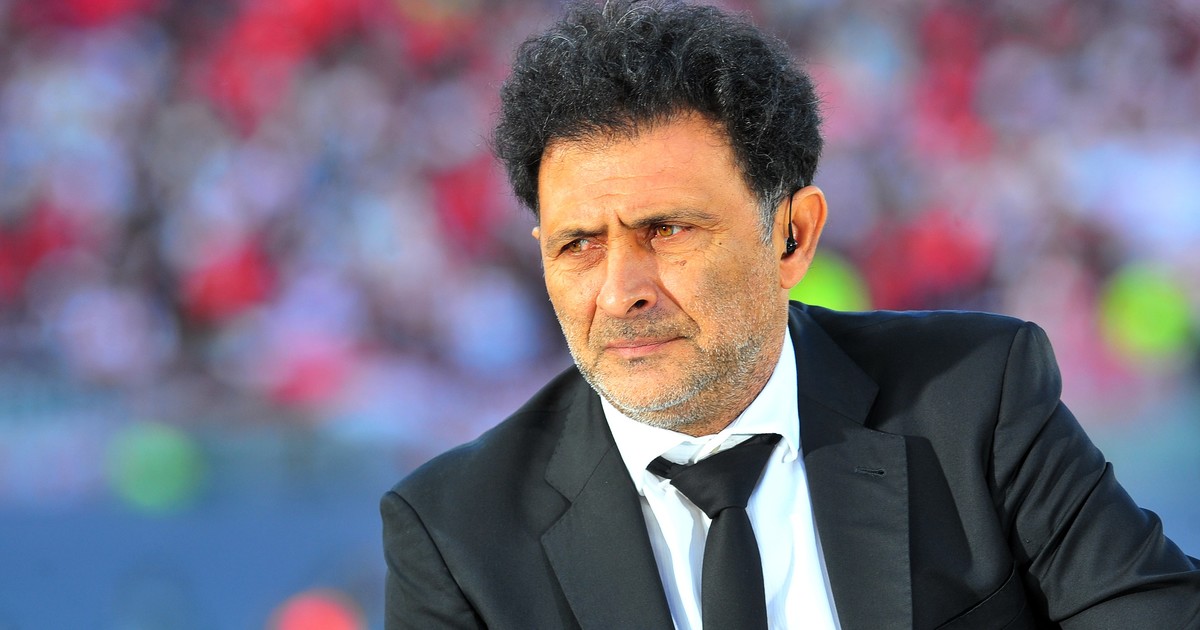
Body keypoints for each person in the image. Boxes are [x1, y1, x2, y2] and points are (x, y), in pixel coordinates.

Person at [380, 1, 1200, 628]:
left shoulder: (976, 400)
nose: (621, 289)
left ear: (793, 235)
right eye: (578, 244)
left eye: (668, 231)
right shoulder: (454, 533)